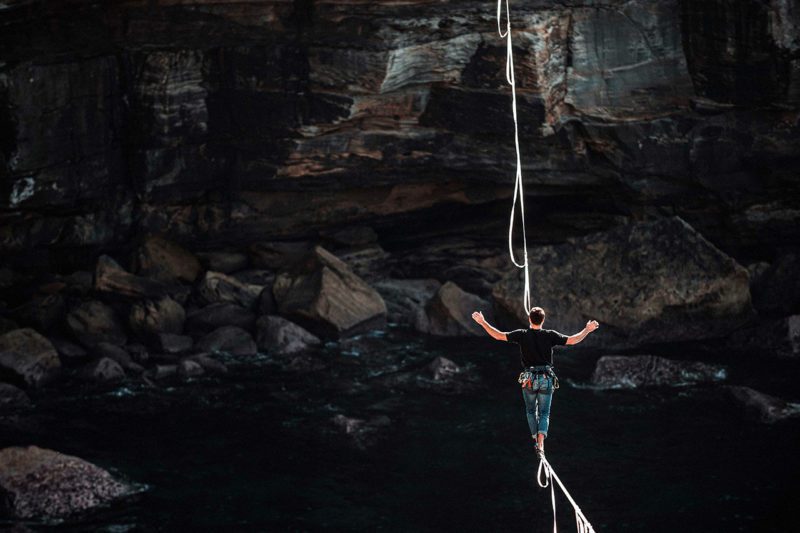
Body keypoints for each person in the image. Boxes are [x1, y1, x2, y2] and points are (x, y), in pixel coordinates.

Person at [471, 307, 599, 459]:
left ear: (529, 319)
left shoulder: (522, 335)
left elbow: (498, 335)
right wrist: (587, 330)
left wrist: (483, 322)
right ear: (543, 320)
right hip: (546, 378)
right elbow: (572, 340)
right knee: (544, 413)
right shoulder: (550, 335)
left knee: (531, 411)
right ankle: (541, 443)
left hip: (529, 378)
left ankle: (535, 438)